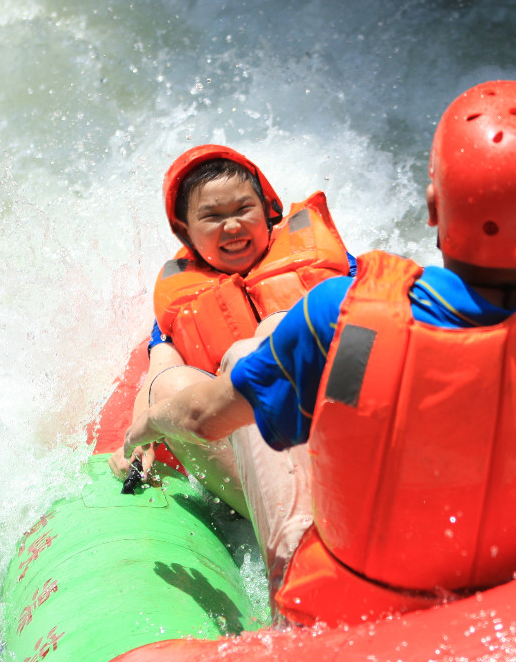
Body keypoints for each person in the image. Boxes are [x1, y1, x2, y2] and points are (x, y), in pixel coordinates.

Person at [125, 81, 516, 625]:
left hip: (351, 614)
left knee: (246, 359)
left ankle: (287, 594)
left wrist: (150, 416)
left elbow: (206, 419)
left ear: (434, 206)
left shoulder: (338, 312)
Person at [110, 144, 352, 513]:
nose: (233, 225)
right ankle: (285, 518)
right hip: (250, 460)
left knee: (274, 327)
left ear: (269, 210)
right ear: (185, 232)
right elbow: (158, 373)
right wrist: (139, 441)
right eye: (212, 217)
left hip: (336, 423)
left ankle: (334, 500)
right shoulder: (181, 302)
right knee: (169, 387)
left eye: (244, 209)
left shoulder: (328, 263)